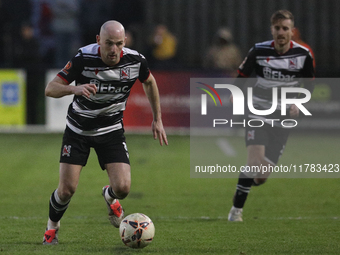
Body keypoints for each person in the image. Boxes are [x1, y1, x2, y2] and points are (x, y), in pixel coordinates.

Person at [42, 20, 168, 244]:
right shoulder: (83, 58)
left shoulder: (135, 60)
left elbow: (149, 82)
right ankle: (52, 228)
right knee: (66, 190)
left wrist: (157, 119)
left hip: (111, 130)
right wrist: (75, 88)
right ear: (98, 40)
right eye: (109, 43)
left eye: (119, 44)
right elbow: (50, 88)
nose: (114, 50)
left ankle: (109, 195)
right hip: (78, 130)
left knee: (123, 188)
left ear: (125, 42)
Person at [228, 10, 315, 222]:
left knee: (261, 176)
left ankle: (245, 181)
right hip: (258, 113)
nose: (281, 32)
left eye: (285, 28)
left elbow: (310, 87)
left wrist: (299, 102)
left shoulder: (304, 55)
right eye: (277, 28)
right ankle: (236, 211)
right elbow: (241, 77)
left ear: (292, 31)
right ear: (272, 30)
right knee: (254, 161)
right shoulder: (258, 51)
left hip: (283, 120)